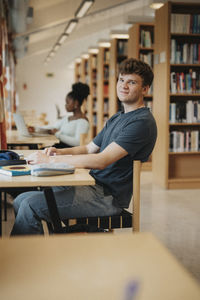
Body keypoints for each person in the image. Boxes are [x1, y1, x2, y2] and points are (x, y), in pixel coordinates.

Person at [11, 58, 157, 236]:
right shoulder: (117, 117)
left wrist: (50, 160)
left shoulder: (141, 123)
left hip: (107, 197)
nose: (123, 86)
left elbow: (101, 160)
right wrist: (58, 151)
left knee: (29, 205)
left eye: (131, 82)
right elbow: (89, 148)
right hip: (91, 186)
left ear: (145, 89)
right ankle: (42, 249)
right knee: (20, 200)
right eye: (121, 80)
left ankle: (34, 259)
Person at [29, 82, 90, 148]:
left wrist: (58, 134)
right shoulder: (67, 118)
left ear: (76, 103)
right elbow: (53, 127)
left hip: (67, 153)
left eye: (67, 103)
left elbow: (78, 142)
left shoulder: (83, 122)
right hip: (58, 148)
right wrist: (35, 128)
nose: (65, 105)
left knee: (35, 149)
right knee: (33, 147)